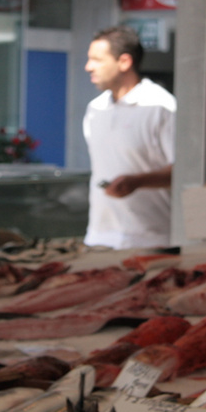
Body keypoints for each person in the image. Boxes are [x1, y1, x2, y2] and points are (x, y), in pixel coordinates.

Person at [81, 26, 175, 249]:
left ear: (124, 62)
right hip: (98, 238)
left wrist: (138, 181)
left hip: (151, 239)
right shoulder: (95, 109)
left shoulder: (162, 107)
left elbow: (184, 172)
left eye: (97, 60)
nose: (88, 67)